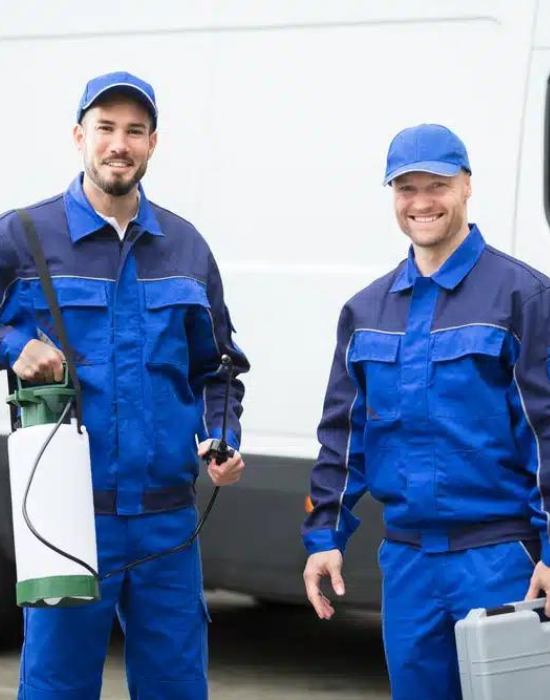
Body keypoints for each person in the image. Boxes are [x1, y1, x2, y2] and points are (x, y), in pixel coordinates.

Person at [0, 71, 249, 700]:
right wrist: (13, 346)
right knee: (57, 687)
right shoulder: (25, 236)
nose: (120, 143)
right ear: (79, 136)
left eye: (134, 131)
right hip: (66, 517)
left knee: (176, 688)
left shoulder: (186, 247)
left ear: (153, 143)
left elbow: (219, 368)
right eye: (106, 128)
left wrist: (221, 438)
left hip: (168, 523)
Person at [302, 123, 550, 699]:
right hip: (409, 565)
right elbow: (343, 439)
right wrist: (323, 539)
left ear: (466, 186)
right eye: (405, 188)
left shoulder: (523, 298)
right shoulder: (366, 311)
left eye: (436, 185)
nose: (420, 203)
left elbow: (547, 431)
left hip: (500, 559)